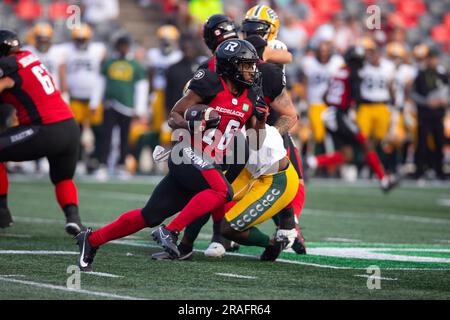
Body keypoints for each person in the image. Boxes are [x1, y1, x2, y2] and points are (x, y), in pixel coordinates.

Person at [75, 39, 269, 270]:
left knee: (150, 215)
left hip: (207, 163)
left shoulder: (251, 94)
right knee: (222, 190)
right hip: (186, 152)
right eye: (246, 65)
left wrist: (262, 120)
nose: (251, 70)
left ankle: (92, 239)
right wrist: (192, 124)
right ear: (230, 66)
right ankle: (170, 231)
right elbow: (174, 115)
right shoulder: (210, 83)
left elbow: (257, 140)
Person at [0, 29, 84, 234]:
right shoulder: (28, 56)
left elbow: (6, 80)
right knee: (63, 178)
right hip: (70, 128)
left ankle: (1, 211)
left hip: (46, 129)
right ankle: (73, 219)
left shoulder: (9, 66)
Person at [305, 47, 400, 192]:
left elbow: (325, 96)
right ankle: (384, 180)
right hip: (340, 115)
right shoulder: (353, 75)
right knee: (366, 144)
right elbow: (358, 97)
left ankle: (311, 162)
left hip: (330, 113)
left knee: (346, 155)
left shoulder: (339, 72)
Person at [94, 34, 148, 180]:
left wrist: (140, 108)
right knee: (106, 136)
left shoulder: (135, 65)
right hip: (110, 104)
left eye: (125, 45)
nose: (123, 48)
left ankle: (121, 165)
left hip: (127, 106)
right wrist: (95, 102)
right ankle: (103, 165)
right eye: (121, 45)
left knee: (125, 138)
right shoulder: (110, 62)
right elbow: (100, 82)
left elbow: (141, 87)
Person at [411, 48, 449, 180]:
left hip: (438, 115)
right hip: (425, 115)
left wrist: (445, 101)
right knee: (421, 143)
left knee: (439, 142)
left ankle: (439, 170)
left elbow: (447, 93)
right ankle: (419, 170)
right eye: (430, 58)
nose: (433, 61)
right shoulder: (420, 75)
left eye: (434, 58)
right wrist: (426, 102)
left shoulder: (443, 76)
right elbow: (413, 94)